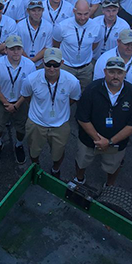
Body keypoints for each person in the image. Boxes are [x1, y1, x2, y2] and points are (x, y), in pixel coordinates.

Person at [76, 57, 132, 186]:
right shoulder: (91, 89)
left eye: (119, 72)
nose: (115, 76)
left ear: (125, 73)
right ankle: (79, 180)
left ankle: (109, 186)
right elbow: (82, 118)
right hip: (89, 139)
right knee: (81, 161)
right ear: (105, 72)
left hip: (116, 143)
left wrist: (110, 142)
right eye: (112, 72)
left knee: (113, 166)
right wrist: (99, 140)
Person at [20, 47, 81, 177]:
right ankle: (36, 168)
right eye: (48, 64)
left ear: (62, 63)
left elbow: (74, 99)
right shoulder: (31, 80)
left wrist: (58, 107)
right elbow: (26, 96)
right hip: (36, 123)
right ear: (43, 62)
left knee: (58, 153)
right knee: (33, 151)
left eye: (56, 65)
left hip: (60, 125)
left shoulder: (72, 82)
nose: (52, 68)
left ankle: (55, 169)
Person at [0, 35, 36, 163]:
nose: (15, 52)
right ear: (5, 50)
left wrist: (17, 104)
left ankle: (19, 145)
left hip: (21, 100)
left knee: (21, 127)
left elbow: (29, 89)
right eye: (12, 49)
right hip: (2, 100)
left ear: (22, 49)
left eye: (18, 48)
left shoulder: (30, 65)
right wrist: (6, 103)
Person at [53, 0, 102, 91]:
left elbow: (94, 44)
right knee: (64, 92)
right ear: (74, 11)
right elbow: (56, 44)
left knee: (85, 93)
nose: (83, 18)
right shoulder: (62, 26)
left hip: (86, 69)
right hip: (66, 67)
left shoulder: (96, 27)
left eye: (86, 14)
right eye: (79, 14)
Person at [94, 28, 132, 98]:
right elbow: (98, 85)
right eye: (126, 44)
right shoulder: (104, 59)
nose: (129, 48)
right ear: (118, 42)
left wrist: (129, 103)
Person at [16, 0, 53, 67]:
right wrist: (27, 61)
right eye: (33, 10)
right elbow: (18, 46)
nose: (36, 13)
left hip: (41, 63)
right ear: (28, 11)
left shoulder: (48, 26)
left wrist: (32, 61)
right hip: (22, 62)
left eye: (39, 10)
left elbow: (47, 48)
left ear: (43, 10)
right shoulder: (20, 26)